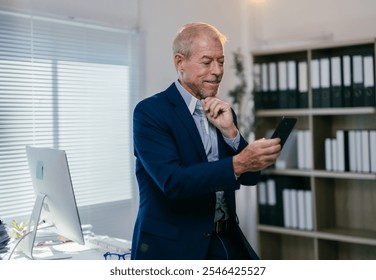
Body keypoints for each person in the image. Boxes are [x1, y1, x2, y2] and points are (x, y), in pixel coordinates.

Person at [131, 22, 281, 260]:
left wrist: (231, 134)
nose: (217, 70)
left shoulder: (220, 111)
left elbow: (251, 177)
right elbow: (173, 182)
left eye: (221, 61)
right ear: (180, 62)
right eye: (207, 61)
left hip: (227, 239)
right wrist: (239, 163)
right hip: (175, 249)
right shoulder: (150, 112)